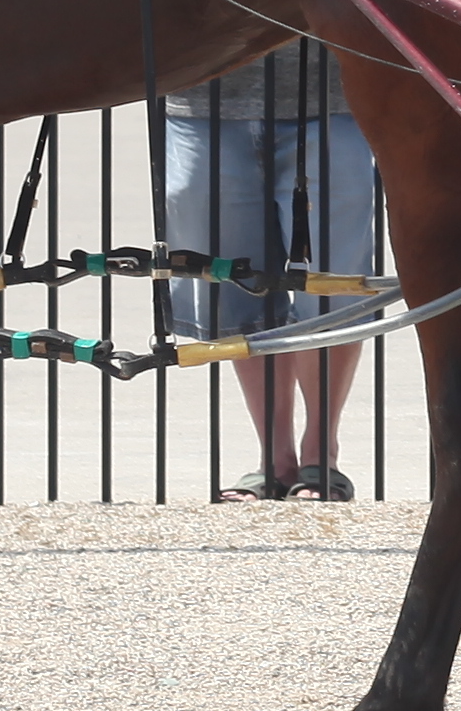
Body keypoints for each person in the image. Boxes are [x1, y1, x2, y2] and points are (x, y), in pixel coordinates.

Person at [157, 61, 373, 498]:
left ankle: (320, 454)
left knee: (333, 285)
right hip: (202, 95)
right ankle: (274, 459)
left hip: (330, 93)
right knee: (234, 285)